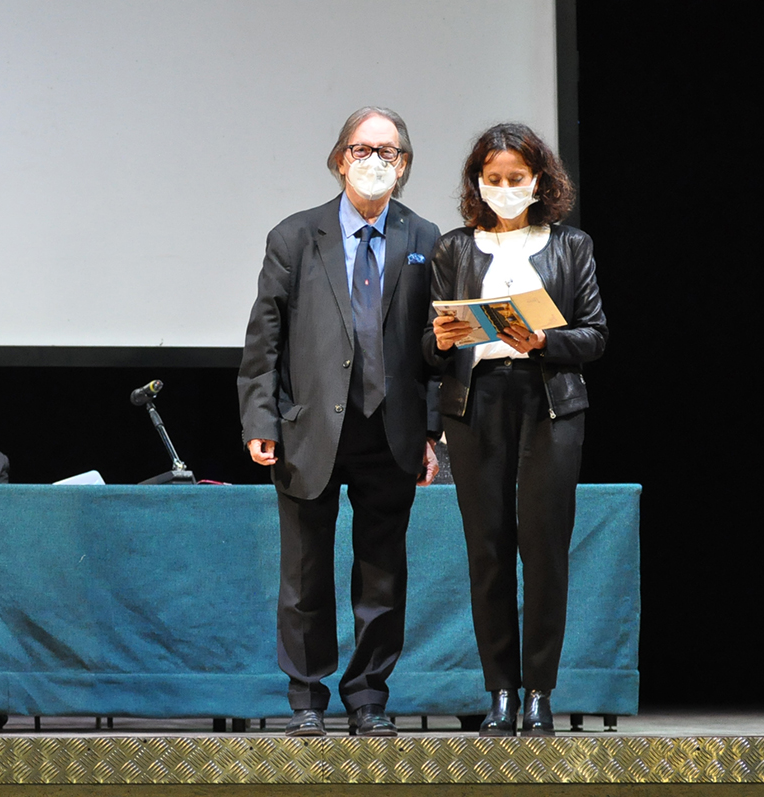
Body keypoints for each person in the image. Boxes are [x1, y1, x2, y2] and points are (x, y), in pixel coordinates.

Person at [238, 107, 441, 737]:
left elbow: (437, 347)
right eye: (363, 149)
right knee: (304, 573)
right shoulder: (295, 235)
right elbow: (264, 339)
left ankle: (368, 696)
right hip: (309, 428)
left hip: (392, 429)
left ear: (404, 165)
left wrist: (432, 431)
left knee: (383, 574)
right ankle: (306, 696)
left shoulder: (426, 238)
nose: (375, 160)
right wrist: (260, 417)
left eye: (388, 151)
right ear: (339, 158)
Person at [424, 123, 607, 737]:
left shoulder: (570, 245)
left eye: (516, 178)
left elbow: (595, 334)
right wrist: (440, 339)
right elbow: (427, 347)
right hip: (476, 403)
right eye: (493, 178)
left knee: (544, 549)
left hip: (548, 402)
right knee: (489, 552)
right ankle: (501, 692)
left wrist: (544, 341)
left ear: (538, 181)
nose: (504, 188)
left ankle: (539, 693)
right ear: (478, 182)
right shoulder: (454, 249)